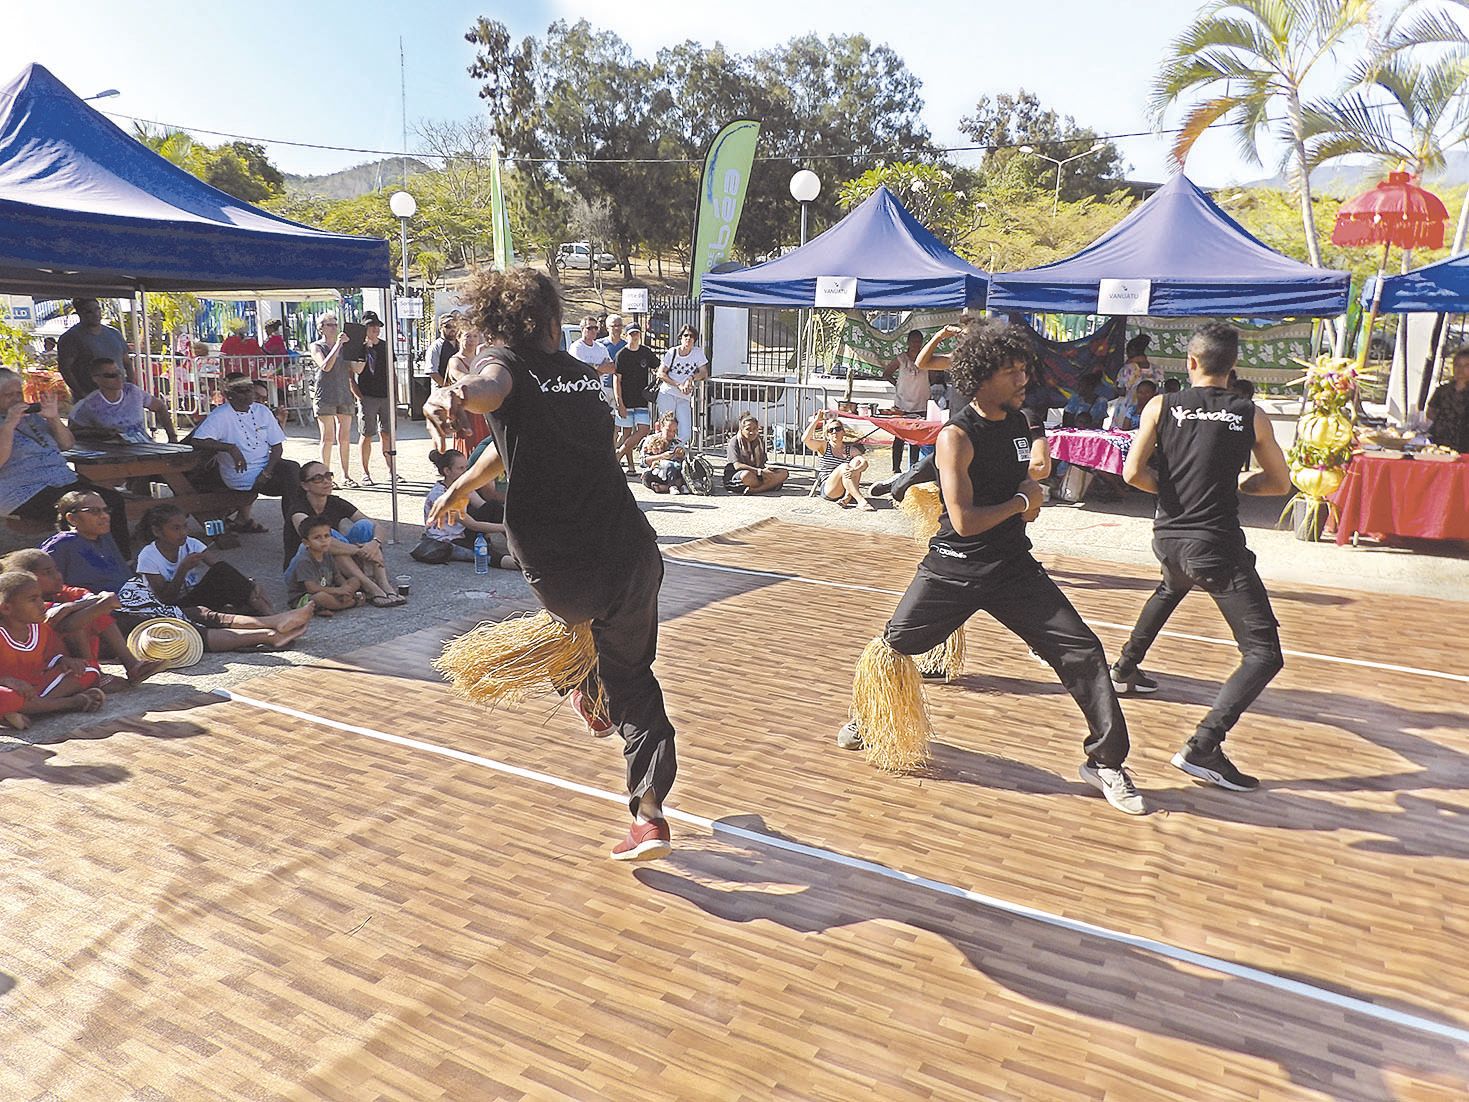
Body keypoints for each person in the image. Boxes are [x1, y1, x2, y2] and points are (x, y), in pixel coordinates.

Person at [836, 321, 1148, 817]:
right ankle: (870, 715)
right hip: (954, 568)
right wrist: (1023, 500)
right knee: (894, 647)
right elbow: (962, 521)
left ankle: (1106, 761)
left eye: (1025, 368)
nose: (1023, 378)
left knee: (1084, 651)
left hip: (1012, 568)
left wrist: (1027, 489)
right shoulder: (956, 436)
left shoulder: (1019, 422)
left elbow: (1024, 477)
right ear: (982, 377)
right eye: (1012, 371)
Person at [425, 266, 677, 862]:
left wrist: (454, 394)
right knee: (635, 680)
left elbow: (491, 400)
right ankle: (650, 816)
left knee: (577, 627)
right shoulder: (586, 379)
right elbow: (506, 427)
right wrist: (463, 478)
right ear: (548, 320)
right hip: (632, 551)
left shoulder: (504, 365)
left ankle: (585, 685)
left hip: (563, 564)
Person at [1114, 323, 1292, 791]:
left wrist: (1173, 495)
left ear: (1190, 363)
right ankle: (1204, 745)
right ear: (1233, 368)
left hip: (1169, 538)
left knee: (1171, 585)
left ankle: (1126, 667)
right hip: (1214, 545)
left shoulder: (1160, 405)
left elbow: (1132, 473)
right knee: (1263, 654)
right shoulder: (1248, 414)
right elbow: (1278, 484)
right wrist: (1235, 485)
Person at [127, 503, 314, 651]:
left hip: (192, 596)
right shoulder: (148, 556)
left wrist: (247, 585)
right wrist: (182, 570)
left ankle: (273, 618)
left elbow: (220, 569)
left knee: (228, 576)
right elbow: (165, 599)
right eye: (175, 529)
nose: (183, 533)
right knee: (224, 591)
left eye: (185, 527)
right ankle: (274, 621)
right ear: (157, 532)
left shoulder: (190, 544)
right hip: (171, 607)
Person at [0, 369, 131, 555]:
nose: (16, 399)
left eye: (18, 393)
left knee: (112, 501)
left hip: (61, 479)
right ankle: (87, 561)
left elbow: (67, 444)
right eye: (8, 395)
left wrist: (53, 418)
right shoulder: (8, 421)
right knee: (83, 512)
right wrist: (9, 425)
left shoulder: (32, 417)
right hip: (24, 489)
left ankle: (120, 561)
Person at [1, 548, 163, 685]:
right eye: (47, 573)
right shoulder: (28, 607)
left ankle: (131, 665)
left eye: (56, 570)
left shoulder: (64, 593)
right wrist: (100, 603)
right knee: (81, 618)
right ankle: (94, 674)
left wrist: (73, 606)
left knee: (95, 613)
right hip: (56, 663)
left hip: (68, 660)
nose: (57, 576)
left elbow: (99, 599)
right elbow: (63, 621)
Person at [185, 372, 300, 534]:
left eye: (249, 389)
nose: (248, 394)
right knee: (292, 479)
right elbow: (198, 440)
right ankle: (295, 527)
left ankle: (295, 525)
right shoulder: (220, 415)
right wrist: (230, 448)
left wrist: (266, 473)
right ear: (228, 395)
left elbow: (277, 447)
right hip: (240, 475)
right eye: (241, 391)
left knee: (294, 472)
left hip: (264, 470)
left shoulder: (262, 411)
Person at [0, 570, 105, 730]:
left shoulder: (41, 629)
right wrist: (6, 681)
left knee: (89, 669)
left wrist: (64, 660)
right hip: (12, 691)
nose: (41, 604)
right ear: (6, 608)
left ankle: (28, 710)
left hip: (37, 689)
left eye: (41, 597)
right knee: (5, 697)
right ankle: (71, 703)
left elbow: (50, 657)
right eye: (32, 600)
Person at [282, 462, 398, 603]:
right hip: (302, 570)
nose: (326, 481)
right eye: (318, 478)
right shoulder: (298, 509)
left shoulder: (335, 502)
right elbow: (318, 543)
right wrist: (360, 550)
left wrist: (374, 544)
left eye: (328, 476)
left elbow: (376, 526)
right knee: (327, 535)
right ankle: (370, 586)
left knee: (366, 526)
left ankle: (383, 583)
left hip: (329, 565)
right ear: (305, 485)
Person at [420, 451, 517, 567]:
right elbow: (473, 525)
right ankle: (525, 566)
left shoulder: (460, 486)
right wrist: (507, 528)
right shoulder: (441, 495)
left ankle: (520, 544)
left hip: (462, 531)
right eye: (460, 468)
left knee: (494, 506)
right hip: (448, 540)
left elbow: (484, 507)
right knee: (485, 554)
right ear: (447, 471)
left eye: (466, 468)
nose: (465, 472)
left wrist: (508, 523)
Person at [41, 490, 132, 593]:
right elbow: (45, 588)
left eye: (106, 510)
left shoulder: (105, 539)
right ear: (72, 518)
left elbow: (125, 578)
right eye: (94, 511)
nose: (105, 516)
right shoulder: (60, 545)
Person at [69, 357, 177, 442]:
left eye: (119, 373)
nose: (118, 377)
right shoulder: (87, 405)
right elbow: (72, 432)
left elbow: (160, 407)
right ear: (96, 379)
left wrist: (172, 437)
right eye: (111, 375)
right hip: (113, 455)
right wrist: (99, 433)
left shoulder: (133, 391)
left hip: (144, 446)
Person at [309, 314, 360, 485]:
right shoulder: (317, 346)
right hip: (325, 394)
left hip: (344, 393)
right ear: (321, 327)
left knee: (344, 437)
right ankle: (325, 476)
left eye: (335, 324)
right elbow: (326, 366)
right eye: (329, 325)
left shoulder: (345, 347)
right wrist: (338, 345)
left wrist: (362, 350)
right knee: (327, 437)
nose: (334, 328)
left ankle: (346, 475)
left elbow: (358, 369)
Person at [287, 516, 374, 615]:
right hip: (306, 596)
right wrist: (338, 591)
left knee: (355, 580)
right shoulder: (304, 561)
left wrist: (345, 589)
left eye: (327, 536)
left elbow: (337, 576)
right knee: (321, 597)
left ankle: (332, 605)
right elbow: (312, 588)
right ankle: (349, 604)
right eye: (317, 537)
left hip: (330, 590)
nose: (323, 540)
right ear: (306, 542)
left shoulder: (327, 554)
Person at [883, 329, 943, 472]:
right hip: (902, 405)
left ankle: (913, 469)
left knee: (916, 439)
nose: (916, 344)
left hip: (921, 404)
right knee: (899, 438)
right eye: (914, 341)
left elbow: (933, 378)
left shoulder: (927, 359)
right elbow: (887, 373)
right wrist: (898, 385)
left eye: (919, 341)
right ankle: (895, 469)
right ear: (908, 342)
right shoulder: (901, 359)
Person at [56, 298, 131, 402]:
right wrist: (82, 393)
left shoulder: (114, 333)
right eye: (89, 312)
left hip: (120, 396)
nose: (95, 314)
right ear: (80, 314)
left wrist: (131, 388)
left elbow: (127, 363)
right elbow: (65, 369)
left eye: (97, 310)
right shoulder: (71, 338)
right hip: (92, 398)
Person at [353, 311, 395, 484]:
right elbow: (356, 371)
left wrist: (395, 395)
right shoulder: (358, 347)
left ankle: (392, 471)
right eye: (371, 326)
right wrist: (366, 349)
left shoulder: (386, 346)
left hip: (385, 395)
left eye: (377, 326)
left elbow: (392, 371)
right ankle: (365, 473)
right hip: (367, 395)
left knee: (387, 434)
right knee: (367, 434)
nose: (375, 329)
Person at [612, 322, 657, 474]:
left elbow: (657, 365)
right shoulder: (621, 355)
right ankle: (631, 466)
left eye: (637, 333)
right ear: (626, 335)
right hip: (626, 400)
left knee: (644, 429)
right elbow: (616, 380)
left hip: (641, 399)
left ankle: (618, 453)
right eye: (631, 334)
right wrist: (620, 403)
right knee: (626, 433)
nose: (635, 336)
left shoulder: (646, 352)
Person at [803, 414, 872, 510]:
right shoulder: (824, 446)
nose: (834, 432)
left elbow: (864, 463)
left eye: (837, 429)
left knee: (856, 461)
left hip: (845, 488)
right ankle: (860, 500)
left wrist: (856, 470)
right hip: (829, 488)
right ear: (827, 434)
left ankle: (848, 497)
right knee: (844, 466)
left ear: (843, 432)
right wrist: (816, 420)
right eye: (831, 430)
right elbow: (805, 439)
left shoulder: (850, 449)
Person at [655, 325, 709, 442]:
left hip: (684, 397)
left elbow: (704, 372)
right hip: (668, 393)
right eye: (686, 335)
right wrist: (678, 384)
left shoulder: (697, 353)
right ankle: (661, 453)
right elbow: (660, 373)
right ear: (680, 337)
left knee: (685, 431)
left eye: (691, 336)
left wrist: (691, 378)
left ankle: (678, 452)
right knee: (666, 427)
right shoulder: (672, 352)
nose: (688, 338)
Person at [445, 325, 492, 455]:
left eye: (475, 336)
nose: (471, 340)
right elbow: (463, 379)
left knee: (485, 447)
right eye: (467, 336)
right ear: (459, 338)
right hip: (465, 412)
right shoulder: (455, 360)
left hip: (482, 410)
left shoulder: (481, 359)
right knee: (468, 448)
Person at [724, 413, 788, 495]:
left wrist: (767, 471)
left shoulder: (759, 441)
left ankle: (756, 490)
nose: (752, 432)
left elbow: (763, 462)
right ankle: (771, 485)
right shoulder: (734, 442)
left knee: (784, 472)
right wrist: (759, 472)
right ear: (741, 429)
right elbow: (737, 465)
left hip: (759, 473)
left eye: (755, 429)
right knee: (746, 476)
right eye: (748, 429)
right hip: (739, 475)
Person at [423, 316, 459, 455]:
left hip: (457, 392)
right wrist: (446, 387)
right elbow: (432, 371)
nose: (452, 329)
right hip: (440, 393)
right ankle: (439, 458)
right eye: (448, 326)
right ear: (441, 328)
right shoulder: (436, 347)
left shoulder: (459, 345)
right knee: (440, 430)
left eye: (454, 326)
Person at [568, 314, 615, 415]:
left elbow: (611, 368)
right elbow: (581, 369)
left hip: (598, 392)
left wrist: (593, 368)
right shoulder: (576, 347)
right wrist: (599, 368)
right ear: (582, 329)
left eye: (595, 328)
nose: (593, 330)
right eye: (589, 328)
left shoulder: (601, 348)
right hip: (581, 393)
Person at [1425, 346, 1469, 452]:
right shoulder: (1442, 390)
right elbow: (1430, 411)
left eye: (1466, 366)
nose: (1460, 370)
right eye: (1457, 365)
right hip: (1440, 443)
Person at [640, 412, 691, 495]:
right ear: (661, 427)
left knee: (682, 471)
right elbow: (643, 462)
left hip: (672, 473)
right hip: (655, 472)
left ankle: (665, 487)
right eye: (668, 430)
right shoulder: (650, 439)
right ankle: (672, 486)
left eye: (674, 431)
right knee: (647, 478)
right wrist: (661, 457)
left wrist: (680, 455)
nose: (671, 434)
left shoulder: (678, 442)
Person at [1116, 334, 1161, 399]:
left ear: (1130, 351)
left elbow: (1121, 391)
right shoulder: (1158, 370)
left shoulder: (1127, 369)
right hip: (1151, 407)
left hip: (1129, 406)